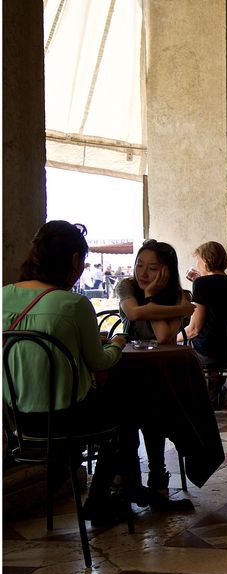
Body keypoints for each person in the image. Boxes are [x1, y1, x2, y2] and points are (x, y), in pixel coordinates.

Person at [2, 221, 132, 525]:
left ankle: (67, 469)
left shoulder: (3, 295)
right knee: (127, 411)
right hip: (68, 417)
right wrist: (116, 343)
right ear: (74, 260)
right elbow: (99, 362)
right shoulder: (73, 304)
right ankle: (100, 501)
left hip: (18, 420)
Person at [117, 239, 195, 502]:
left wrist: (152, 296)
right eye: (139, 264)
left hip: (163, 373)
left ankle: (156, 474)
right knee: (142, 407)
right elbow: (135, 313)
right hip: (125, 371)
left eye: (152, 268)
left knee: (154, 407)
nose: (142, 273)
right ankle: (133, 476)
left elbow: (162, 336)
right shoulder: (126, 286)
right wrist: (181, 310)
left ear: (167, 271)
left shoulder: (179, 295)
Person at [181, 241, 227, 371]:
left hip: (209, 352)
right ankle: (214, 386)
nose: (197, 265)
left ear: (206, 260)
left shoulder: (201, 284)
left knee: (173, 350)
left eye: (198, 260)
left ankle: (194, 390)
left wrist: (172, 338)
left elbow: (194, 329)